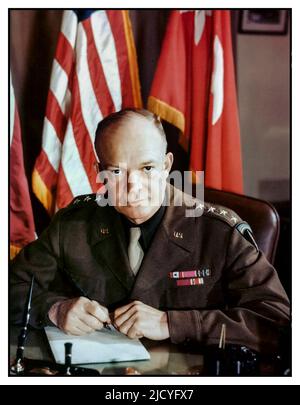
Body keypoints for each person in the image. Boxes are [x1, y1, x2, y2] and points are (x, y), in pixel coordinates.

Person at [10, 108, 289, 353]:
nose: (134, 187)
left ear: (167, 166)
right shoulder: (73, 225)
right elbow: (11, 287)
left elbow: (277, 323)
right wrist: (54, 310)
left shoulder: (218, 232)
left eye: (147, 168)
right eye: (117, 172)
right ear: (99, 171)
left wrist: (171, 323)